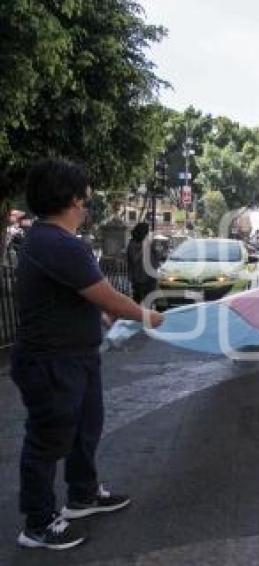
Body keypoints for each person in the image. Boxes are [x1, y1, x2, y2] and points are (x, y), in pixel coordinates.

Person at [12, 159, 164, 550]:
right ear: (71, 199)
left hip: (74, 356)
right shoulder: (59, 243)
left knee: (85, 427)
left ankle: (83, 494)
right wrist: (147, 315)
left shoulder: (48, 241)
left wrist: (98, 314)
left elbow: (71, 293)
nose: (87, 205)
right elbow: (108, 295)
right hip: (52, 361)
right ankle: (38, 523)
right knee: (48, 440)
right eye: (85, 197)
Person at [125, 222, 159, 304]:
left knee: (150, 300)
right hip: (139, 278)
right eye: (147, 231)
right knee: (138, 300)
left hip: (150, 277)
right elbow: (134, 259)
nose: (149, 233)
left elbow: (156, 258)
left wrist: (154, 249)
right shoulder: (133, 244)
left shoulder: (149, 242)